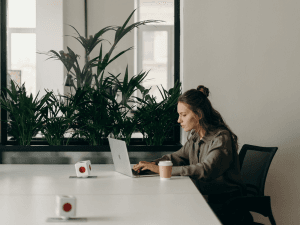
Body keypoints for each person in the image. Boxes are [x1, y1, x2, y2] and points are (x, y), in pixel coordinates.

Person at [133, 85, 253, 224]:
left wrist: (162, 170)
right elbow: (177, 157)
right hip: (206, 197)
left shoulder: (221, 138)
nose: (179, 120)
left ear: (199, 114)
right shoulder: (196, 136)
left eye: (183, 115)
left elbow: (205, 170)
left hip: (226, 205)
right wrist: (153, 164)